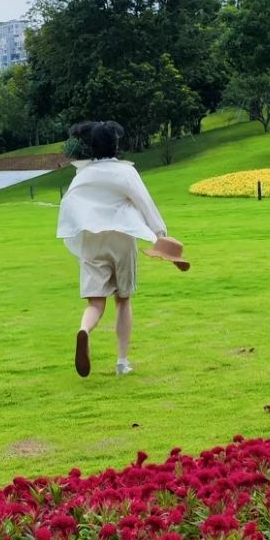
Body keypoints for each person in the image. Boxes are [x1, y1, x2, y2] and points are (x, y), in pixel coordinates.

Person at [57, 120, 174, 379]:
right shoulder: (125, 172)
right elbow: (145, 202)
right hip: (121, 238)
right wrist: (160, 234)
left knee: (96, 303)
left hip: (91, 239)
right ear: (116, 146)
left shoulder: (82, 174)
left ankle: (85, 330)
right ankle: (122, 362)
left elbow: (70, 204)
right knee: (123, 299)